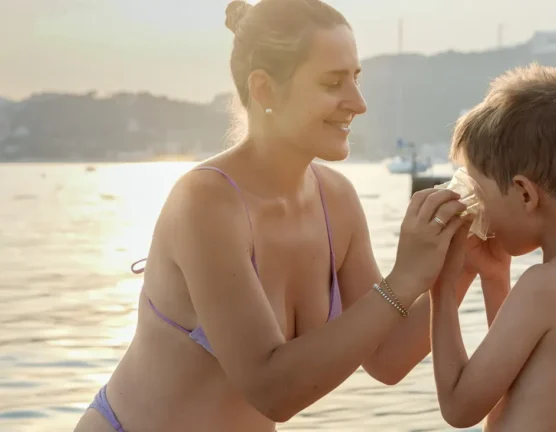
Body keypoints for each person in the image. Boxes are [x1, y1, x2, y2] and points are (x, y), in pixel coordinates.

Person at [74, 1, 474, 431]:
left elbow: (387, 357)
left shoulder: (336, 199)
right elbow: (271, 391)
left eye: (356, 79)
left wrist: (462, 261)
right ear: (264, 89)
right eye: (333, 82)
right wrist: (405, 278)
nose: (358, 104)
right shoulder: (205, 203)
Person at [429, 64, 556, 431]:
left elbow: (460, 408)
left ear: (524, 193)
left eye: (480, 194)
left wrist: (442, 289)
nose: (478, 210)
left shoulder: (545, 285)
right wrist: (494, 279)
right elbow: (518, 384)